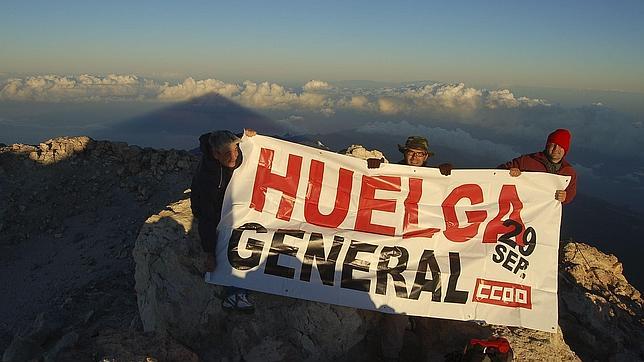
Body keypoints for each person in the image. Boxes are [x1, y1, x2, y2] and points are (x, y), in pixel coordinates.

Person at [368, 135, 452, 361]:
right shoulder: (392, 173)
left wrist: (450, 176)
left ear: (426, 157)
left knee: (425, 314)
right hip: (396, 253)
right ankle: (391, 356)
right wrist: (373, 171)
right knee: (395, 310)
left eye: (420, 154)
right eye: (411, 153)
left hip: (424, 252)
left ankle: (425, 354)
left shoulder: (435, 177)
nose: (415, 157)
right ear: (404, 153)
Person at [190, 128, 256, 312]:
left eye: (236, 150)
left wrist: (247, 136)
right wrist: (209, 252)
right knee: (230, 244)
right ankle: (234, 295)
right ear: (215, 154)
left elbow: (232, 138)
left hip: (231, 204)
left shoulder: (229, 149)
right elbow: (206, 217)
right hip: (215, 212)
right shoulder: (208, 178)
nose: (234, 156)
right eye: (228, 153)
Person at [499, 128, 577, 204]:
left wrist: (565, 197)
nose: (556, 149)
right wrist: (510, 172)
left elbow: (570, 193)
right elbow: (498, 172)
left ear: (565, 149)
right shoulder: (527, 161)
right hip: (522, 210)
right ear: (547, 145)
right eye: (553, 144)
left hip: (546, 214)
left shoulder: (569, 172)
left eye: (561, 146)